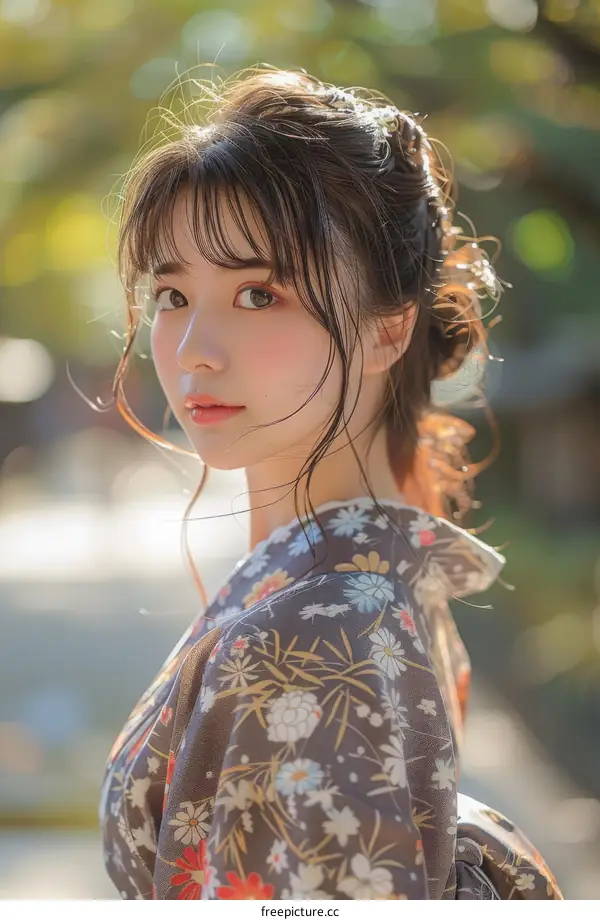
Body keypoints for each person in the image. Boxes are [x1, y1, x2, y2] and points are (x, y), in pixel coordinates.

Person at [97, 65, 563, 900]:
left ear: (387, 332)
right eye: (171, 293)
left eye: (257, 291)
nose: (194, 346)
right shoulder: (379, 576)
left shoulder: (309, 640)